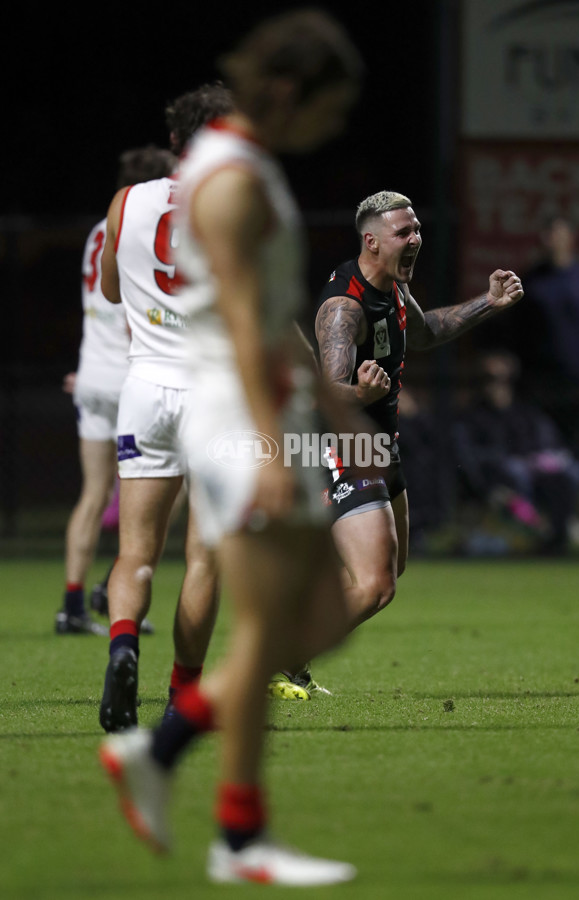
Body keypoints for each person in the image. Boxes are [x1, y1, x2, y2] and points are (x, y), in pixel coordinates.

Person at [99, 9, 364, 885]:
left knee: (307, 617)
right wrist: (277, 450)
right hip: (231, 420)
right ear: (288, 90)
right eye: (329, 109)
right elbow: (249, 324)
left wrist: (334, 403)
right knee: (286, 620)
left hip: (231, 410)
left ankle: (168, 762)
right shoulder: (232, 177)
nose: (331, 128)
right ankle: (233, 828)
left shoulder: (233, 168)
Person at [310, 191, 524, 633]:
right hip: (348, 448)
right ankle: (280, 659)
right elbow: (326, 395)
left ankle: (299, 609)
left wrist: (488, 302)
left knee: (392, 569)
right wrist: (361, 395)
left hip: (381, 447)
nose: (416, 238)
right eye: (403, 232)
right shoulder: (344, 308)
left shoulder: (394, 288)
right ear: (371, 241)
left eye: (418, 229)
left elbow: (425, 333)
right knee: (376, 585)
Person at [98, 83, 234, 733]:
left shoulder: (127, 202)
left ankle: (123, 643)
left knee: (135, 553)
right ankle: (184, 694)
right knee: (204, 557)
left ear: (175, 143)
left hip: (146, 388)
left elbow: (110, 288)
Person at [55, 145, 176, 637]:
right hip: (131, 374)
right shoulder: (145, 225)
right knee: (168, 486)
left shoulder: (99, 230)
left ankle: (73, 604)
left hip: (91, 375)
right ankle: (118, 586)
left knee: (93, 494)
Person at [452, 350, 579, 555]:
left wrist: (543, 459)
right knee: (515, 470)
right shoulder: (471, 418)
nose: (496, 385)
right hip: (500, 480)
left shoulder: (527, 413)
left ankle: (560, 533)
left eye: (502, 378)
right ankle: (533, 531)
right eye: (488, 379)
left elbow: (550, 443)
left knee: (574, 471)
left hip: (539, 476)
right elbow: (468, 458)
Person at [515, 217, 579, 459]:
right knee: (542, 450)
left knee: (575, 451)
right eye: (547, 234)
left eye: (557, 234)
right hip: (540, 383)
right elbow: (519, 331)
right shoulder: (531, 283)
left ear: (570, 239)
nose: (551, 240)